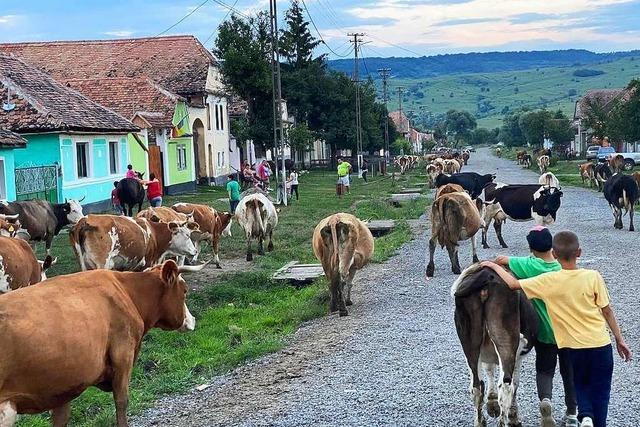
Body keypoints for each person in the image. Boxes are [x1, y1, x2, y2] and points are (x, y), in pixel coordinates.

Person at [482, 231, 631, 427]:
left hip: (561, 341)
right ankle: (583, 417)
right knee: (592, 386)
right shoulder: (593, 276)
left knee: (562, 376)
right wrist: (619, 340)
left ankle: (566, 408)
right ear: (579, 253)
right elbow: (607, 311)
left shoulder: (548, 280)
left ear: (555, 252)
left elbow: (512, 284)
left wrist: (492, 265)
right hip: (598, 344)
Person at [492, 226, 577, 427]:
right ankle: (572, 413)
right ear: (553, 248)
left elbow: (502, 260)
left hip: (545, 333)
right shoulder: (563, 268)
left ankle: (545, 401)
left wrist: (494, 264)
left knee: (545, 370)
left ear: (531, 249)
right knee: (569, 371)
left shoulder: (528, 266)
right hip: (570, 333)